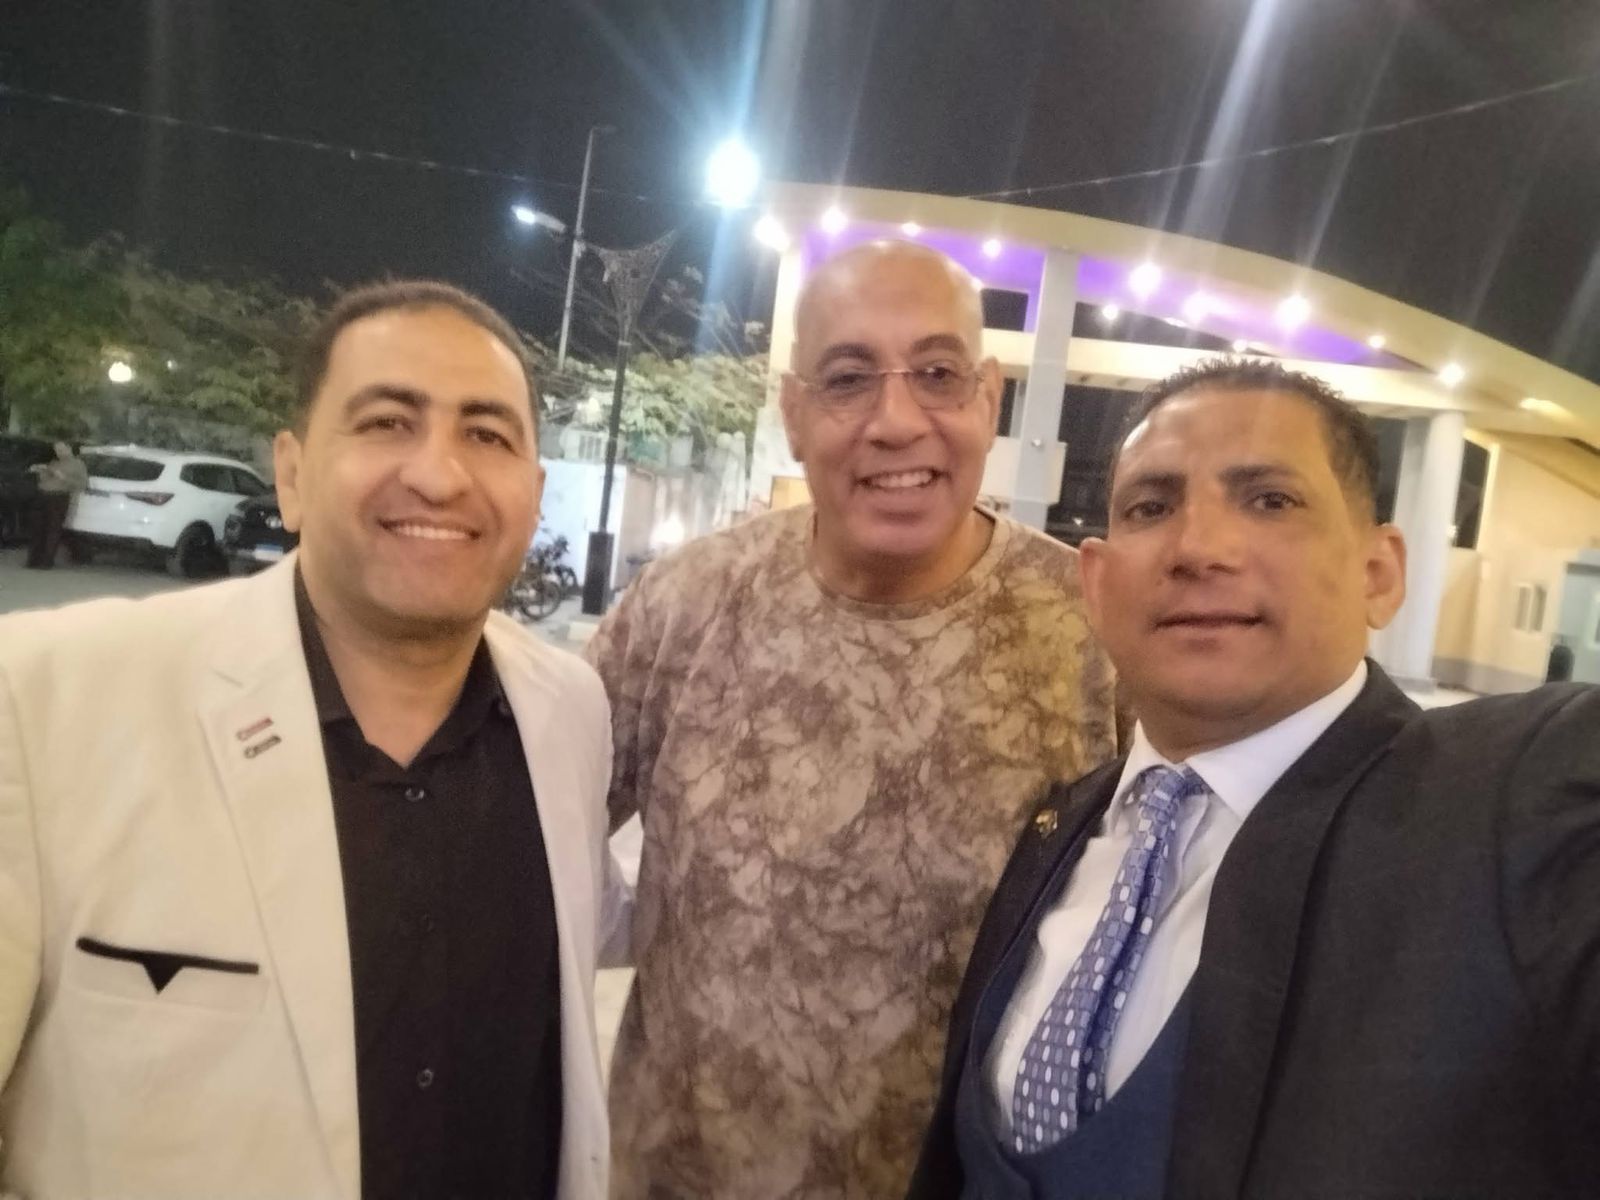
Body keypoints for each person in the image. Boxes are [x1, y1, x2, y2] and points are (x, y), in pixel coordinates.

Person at [908, 358, 1600, 1199]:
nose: (1198, 548)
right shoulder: (1061, 829)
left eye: (1270, 500)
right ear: (1096, 583)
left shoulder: (1503, 815)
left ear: (1379, 572)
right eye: (1152, 507)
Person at [0, 281, 628, 1200]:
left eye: (488, 435)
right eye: (387, 422)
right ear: (291, 475)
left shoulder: (568, 712)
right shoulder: (42, 700)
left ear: (533, 497)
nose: (440, 475)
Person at [587, 241, 1119, 1197]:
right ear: (793, 414)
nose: (897, 421)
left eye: (938, 375)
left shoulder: (1091, 634)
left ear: (989, 398)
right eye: (848, 379)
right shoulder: (684, 607)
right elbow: (528, 840)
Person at [24, 441, 87, 568]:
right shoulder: (54, 463)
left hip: (59, 497)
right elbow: (44, 480)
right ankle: (33, 560)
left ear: (69, 448)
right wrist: (40, 471)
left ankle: (47, 561)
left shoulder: (78, 464)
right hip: (42, 495)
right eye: (57, 450)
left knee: (52, 529)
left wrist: (64, 478)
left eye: (61, 450)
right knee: (37, 528)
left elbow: (82, 484)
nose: (59, 453)